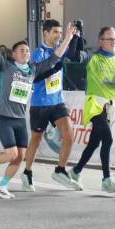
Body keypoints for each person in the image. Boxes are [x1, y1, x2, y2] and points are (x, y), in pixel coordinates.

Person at [0, 18, 77, 198]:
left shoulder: (33, 69)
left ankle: (2, 186)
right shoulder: (7, 67)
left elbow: (55, 58)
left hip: (19, 119)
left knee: (20, 156)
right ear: (14, 55)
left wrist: (68, 38)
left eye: (27, 50)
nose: (26, 52)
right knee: (12, 154)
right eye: (21, 51)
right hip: (4, 117)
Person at [69, 27, 115, 192]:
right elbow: (75, 56)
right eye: (109, 39)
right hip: (95, 105)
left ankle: (76, 171)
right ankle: (106, 180)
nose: (113, 42)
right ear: (101, 41)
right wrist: (76, 38)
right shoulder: (93, 57)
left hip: (110, 107)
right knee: (107, 139)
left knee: (94, 143)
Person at [20, 19, 86, 192]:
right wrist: (66, 40)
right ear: (46, 33)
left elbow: (75, 55)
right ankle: (27, 172)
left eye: (59, 32)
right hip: (40, 104)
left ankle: (60, 170)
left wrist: (77, 34)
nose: (58, 35)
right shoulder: (37, 52)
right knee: (36, 140)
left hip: (57, 102)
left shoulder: (61, 48)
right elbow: (41, 70)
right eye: (55, 32)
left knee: (69, 136)